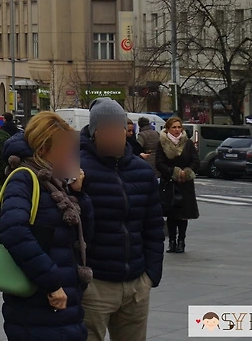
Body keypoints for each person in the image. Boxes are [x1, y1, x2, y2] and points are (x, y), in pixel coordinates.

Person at [0, 111, 93, 341]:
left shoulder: (56, 182)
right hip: (38, 306)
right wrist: (52, 283)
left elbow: (85, 234)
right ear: (42, 150)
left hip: (62, 304)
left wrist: (79, 194)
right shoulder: (24, 179)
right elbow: (14, 231)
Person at [79, 97, 164, 341]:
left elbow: (154, 226)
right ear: (95, 133)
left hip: (136, 284)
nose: (116, 136)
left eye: (120, 129)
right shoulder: (77, 169)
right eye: (108, 130)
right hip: (95, 285)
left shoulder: (142, 171)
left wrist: (150, 275)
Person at [155, 116, 199, 253]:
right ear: (168, 128)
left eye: (179, 127)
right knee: (171, 214)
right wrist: (174, 172)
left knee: (183, 215)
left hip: (185, 183)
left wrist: (186, 172)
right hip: (169, 182)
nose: (177, 130)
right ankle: (172, 241)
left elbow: (195, 161)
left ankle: (181, 241)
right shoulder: (162, 142)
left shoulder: (188, 143)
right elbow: (159, 163)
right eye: (174, 127)